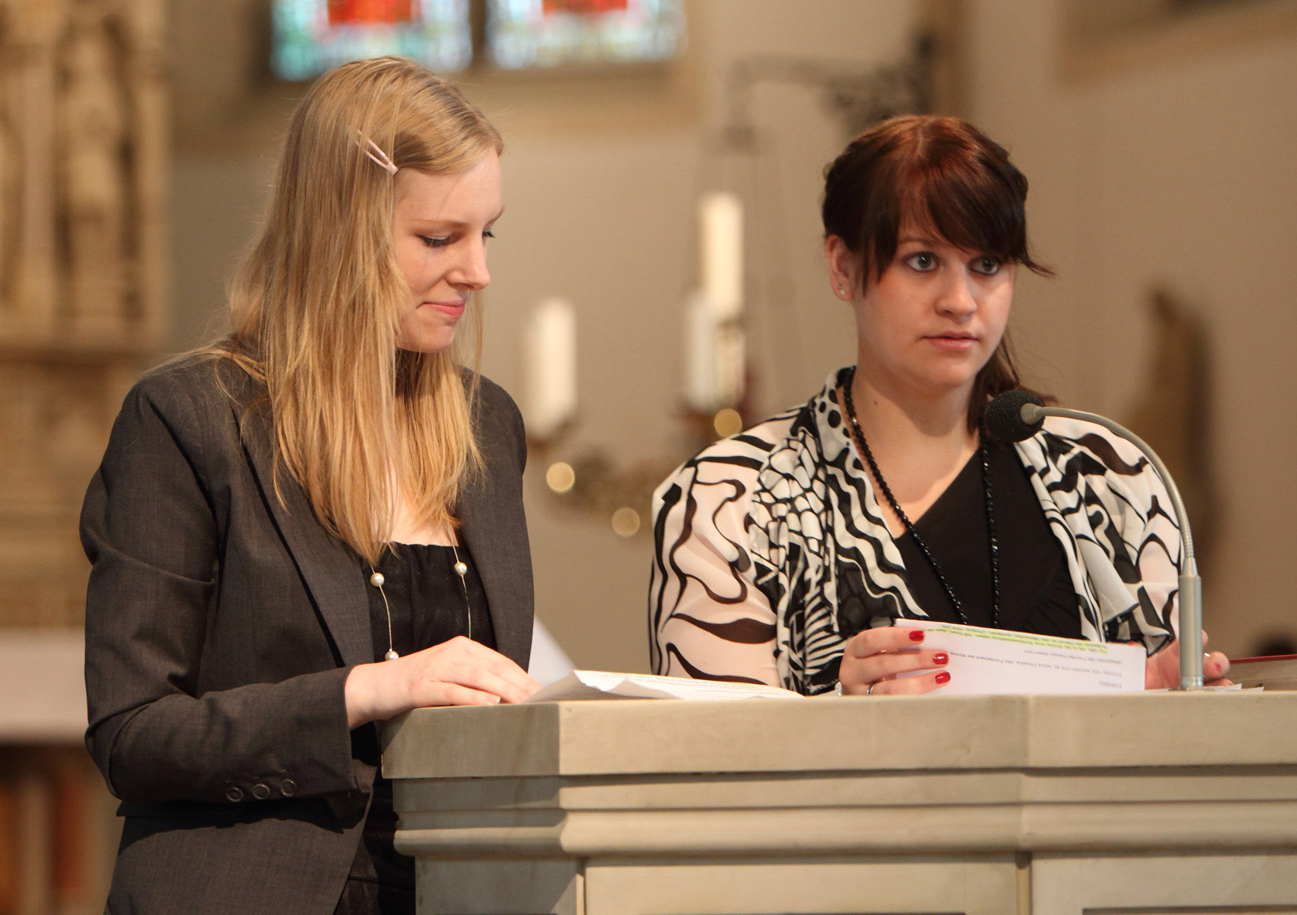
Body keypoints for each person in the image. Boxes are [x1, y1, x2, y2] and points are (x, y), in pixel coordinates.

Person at [81, 56, 539, 914]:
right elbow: (133, 733)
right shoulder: (190, 421)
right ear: (342, 230)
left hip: (461, 883)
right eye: (439, 239)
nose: (477, 272)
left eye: (488, 235)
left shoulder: (487, 425)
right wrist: (365, 691)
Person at [650, 114, 1228, 696]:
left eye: (987, 265)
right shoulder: (729, 501)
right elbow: (715, 747)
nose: (960, 301)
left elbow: (1185, 730)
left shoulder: (1111, 476)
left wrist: (1172, 699)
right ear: (843, 267)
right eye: (922, 261)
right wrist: (839, 716)